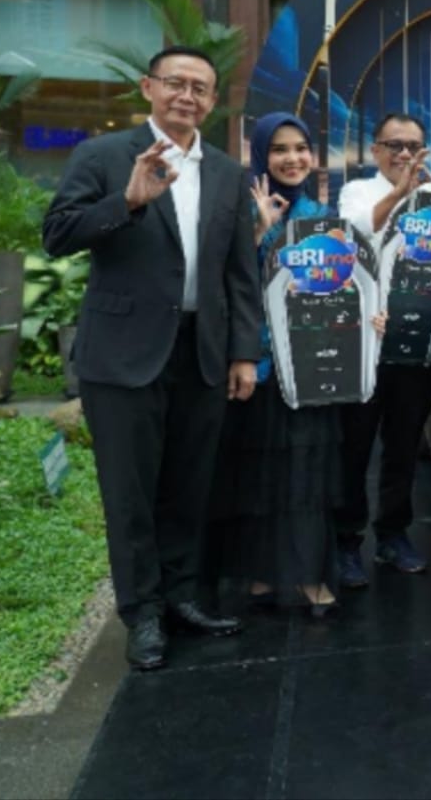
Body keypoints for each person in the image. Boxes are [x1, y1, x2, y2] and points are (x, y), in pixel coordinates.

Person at [42, 46, 260, 671]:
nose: (187, 96)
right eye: (175, 83)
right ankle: (141, 614)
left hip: (202, 351)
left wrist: (243, 353)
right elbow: (57, 235)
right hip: (123, 355)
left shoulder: (227, 173)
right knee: (130, 493)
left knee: (188, 486)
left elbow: (239, 272)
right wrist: (129, 202)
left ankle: (182, 596)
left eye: (200, 88)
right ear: (149, 88)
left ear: (212, 101)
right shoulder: (104, 156)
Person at [208, 114, 379, 616]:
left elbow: (343, 286)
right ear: (261, 155)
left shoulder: (322, 216)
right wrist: (259, 230)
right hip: (256, 366)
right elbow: (225, 284)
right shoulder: (239, 208)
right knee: (260, 475)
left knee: (307, 476)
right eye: (279, 149)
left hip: (309, 368)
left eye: (301, 148)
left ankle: (308, 576)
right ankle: (263, 574)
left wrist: (371, 315)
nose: (292, 158)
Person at [336, 113, 431, 584]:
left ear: (424, 151)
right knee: (354, 450)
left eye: (412, 146)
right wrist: (401, 193)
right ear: (375, 150)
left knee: (402, 447)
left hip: (417, 346)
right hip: (364, 346)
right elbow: (356, 233)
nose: (403, 154)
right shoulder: (358, 191)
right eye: (394, 145)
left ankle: (393, 535)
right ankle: (346, 542)